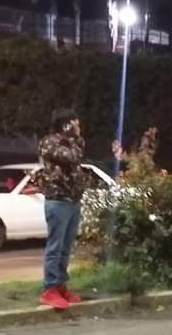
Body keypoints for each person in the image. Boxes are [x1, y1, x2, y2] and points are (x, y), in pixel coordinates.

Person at [32, 108, 121, 309]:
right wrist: (74, 138)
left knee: (65, 247)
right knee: (55, 247)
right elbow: (71, 157)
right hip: (57, 200)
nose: (78, 126)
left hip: (72, 200)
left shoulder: (75, 142)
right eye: (75, 123)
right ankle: (50, 289)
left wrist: (76, 138)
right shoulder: (49, 142)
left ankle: (61, 285)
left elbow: (78, 153)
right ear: (65, 124)